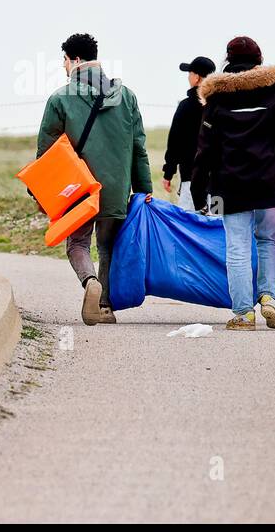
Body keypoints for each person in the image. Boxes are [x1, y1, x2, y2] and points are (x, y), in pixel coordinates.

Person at [191, 36, 275, 331]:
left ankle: (243, 314)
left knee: (236, 246)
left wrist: (199, 193)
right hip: (272, 185)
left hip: (229, 187)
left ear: (228, 61)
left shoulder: (217, 98)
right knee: (270, 241)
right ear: (259, 59)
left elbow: (205, 149)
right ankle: (270, 298)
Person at [36, 33, 152, 325]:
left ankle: (90, 282)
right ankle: (104, 307)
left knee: (78, 243)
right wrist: (144, 189)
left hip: (78, 187)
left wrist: (40, 193)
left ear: (74, 60)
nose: (63, 66)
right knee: (108, 245)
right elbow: (139, 146)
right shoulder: (127, 96)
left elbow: (46, 153)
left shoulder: (60, 99)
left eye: (63, 60)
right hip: (116, 186)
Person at [161, 55, 215, 210]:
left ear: (197, 77)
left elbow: (175, 142)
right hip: (218, 182)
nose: (188, 76)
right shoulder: (219, 106)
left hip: (190, 179)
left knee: (189, 223)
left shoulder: (186, 106)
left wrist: (168, 173)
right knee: (216, 224)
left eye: (190, 73)